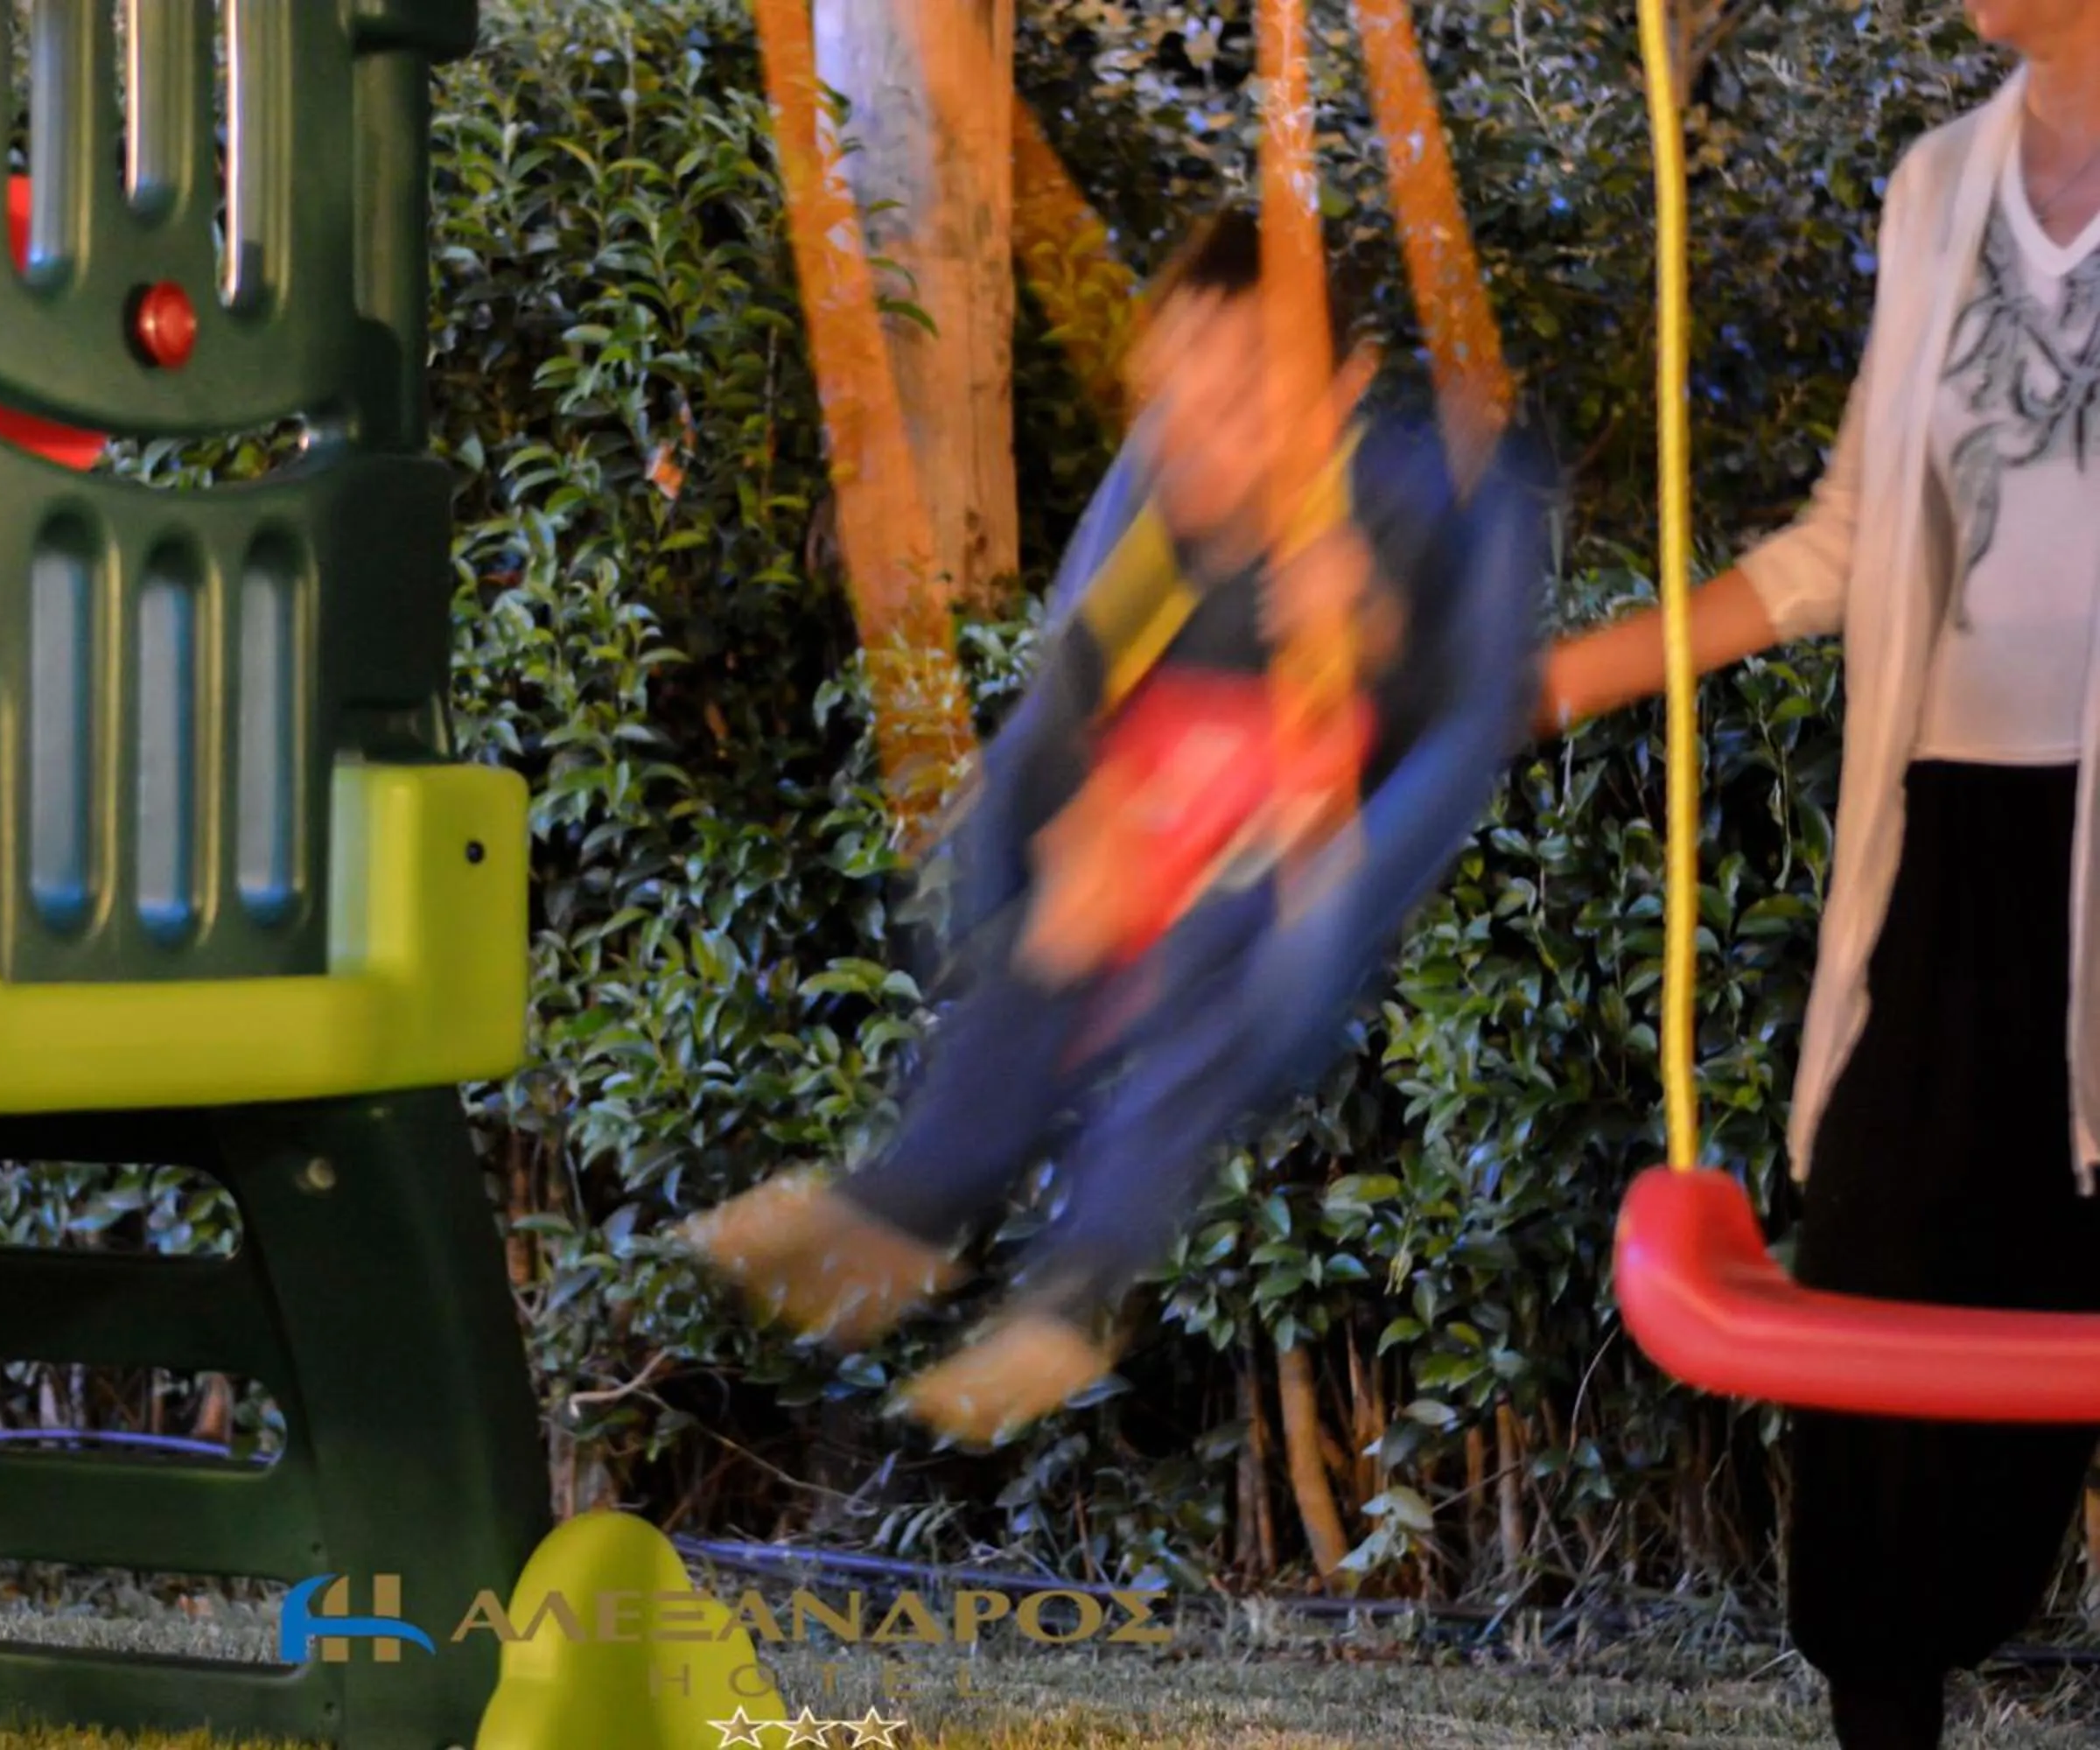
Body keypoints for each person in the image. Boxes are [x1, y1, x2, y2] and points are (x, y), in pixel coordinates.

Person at [681, 206, 1552, 1446]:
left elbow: (1441, 701)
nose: (1205, 429)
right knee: (1035, 964)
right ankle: (905, 1210)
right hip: (1155, 796)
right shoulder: (1172, 504)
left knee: (1201, 992)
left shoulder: (1400, 498)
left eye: (1248, 393)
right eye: (1182, 392)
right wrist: (1059, 813)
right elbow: (1086, 672)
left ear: (1342, 385)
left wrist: (1362, 628)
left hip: (1290, 822)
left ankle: (1073, 1298)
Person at [1534, 4, 2100, 1743]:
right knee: (1873, 1296)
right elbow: (1848, 542)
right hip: (1946, 851)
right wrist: (1559, 679)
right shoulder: (1942, 185)